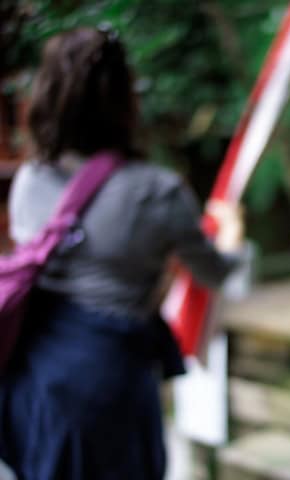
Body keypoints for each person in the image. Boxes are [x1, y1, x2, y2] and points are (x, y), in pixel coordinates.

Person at [0, 27, 243, 480]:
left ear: (48, 95)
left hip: (32, 379)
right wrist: (232, 235)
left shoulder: (30, 181)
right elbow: (216, 273)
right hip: (108, 387)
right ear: (125, 100)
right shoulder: (157, 192)